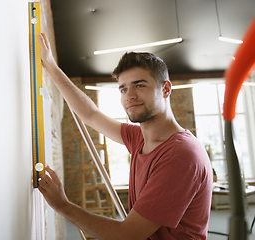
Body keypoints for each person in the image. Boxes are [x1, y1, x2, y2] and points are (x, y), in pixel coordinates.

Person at [37, 33, 213, 240]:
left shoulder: (180, 155)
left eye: (139, 85)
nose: (129, 95)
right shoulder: (140, 138)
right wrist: (51, 66)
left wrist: (62, 205)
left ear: (165, 89)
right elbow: (91, 115)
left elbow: (128, 234)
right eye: (123, 88)